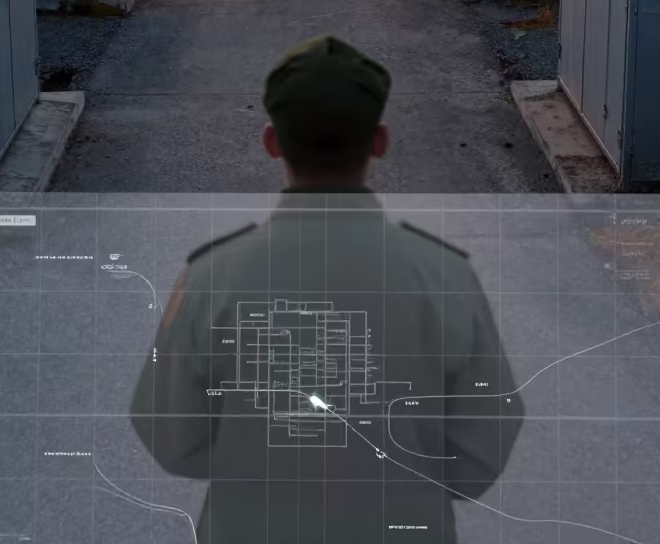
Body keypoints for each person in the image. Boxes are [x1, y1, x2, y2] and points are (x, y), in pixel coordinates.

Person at [130, 36, 524, 543]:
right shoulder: (443, 275)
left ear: (271, 142)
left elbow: (168, 433)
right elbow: (486, 438)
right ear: (379, 141)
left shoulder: (211, 277)